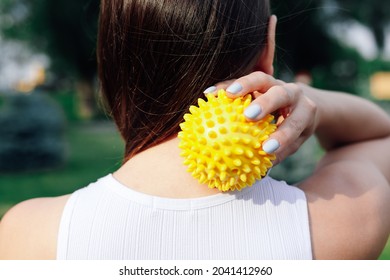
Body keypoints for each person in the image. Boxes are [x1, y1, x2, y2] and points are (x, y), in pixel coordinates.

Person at [0, 0, 389, 260]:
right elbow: (380, 134)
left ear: (112, 60)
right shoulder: (349, 216)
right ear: (268, 48)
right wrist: (307, 99)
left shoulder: (28, 234)